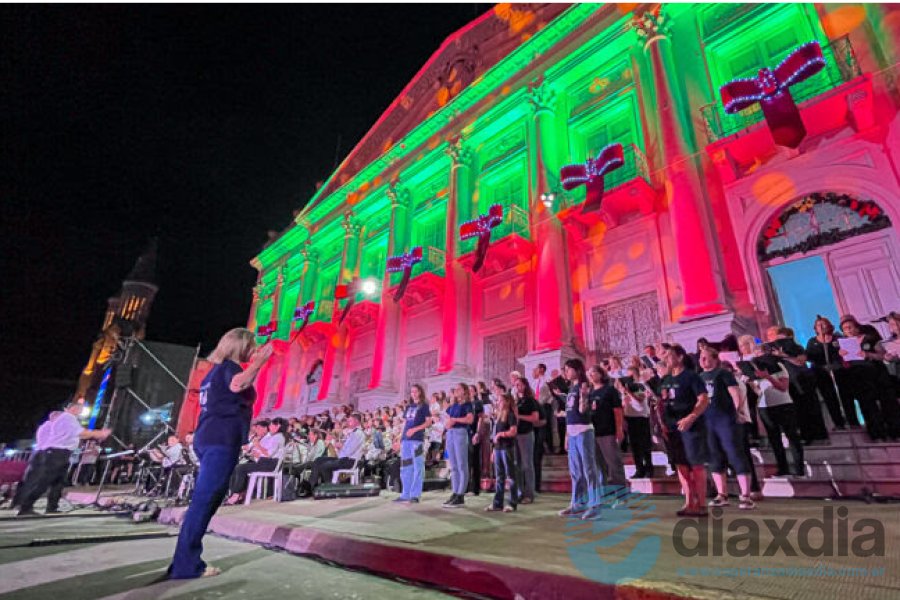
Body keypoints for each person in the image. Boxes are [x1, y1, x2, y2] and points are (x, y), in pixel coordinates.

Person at [168, 327, 273, 579]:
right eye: (251, 345)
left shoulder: (212, 373)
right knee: (204, 502)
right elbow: (239, 385)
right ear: (241, 346)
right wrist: (259, 363)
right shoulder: (230, 369)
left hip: (208, 437)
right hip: (220, 439)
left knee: (208, 500)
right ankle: (186, 564)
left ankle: (184, 559)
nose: (253, 349)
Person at [16, 401, 111, 516]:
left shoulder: (68, 419)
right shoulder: (68, 418)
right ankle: (25, 507)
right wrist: (100, 433)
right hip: (57, 453)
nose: (81, 412)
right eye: (80, 409)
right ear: (73, 408)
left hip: (61, 453)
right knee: (45, 481)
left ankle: (52, 507)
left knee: (58, 482)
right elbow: (82, 433)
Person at [699, 347, 755, 510]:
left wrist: (737, 411)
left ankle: (746, 496)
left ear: (715, 359)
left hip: (725, 420)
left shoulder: (723, 374)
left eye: (706, 357)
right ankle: (721, 494)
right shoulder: (700, 377)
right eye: (701, 357)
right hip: (708, 422)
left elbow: (735, 393)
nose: (702, 360)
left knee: (735, 454)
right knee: (715, 457)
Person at [740, 336, 805, 477]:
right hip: (765, 407)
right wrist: (751, 381)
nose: (758, 357)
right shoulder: (756, 371)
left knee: (792, 437)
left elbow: (783, 387)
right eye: (756, 354)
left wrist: (768, 377)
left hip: (783, 404)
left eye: (760, 354)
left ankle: (799, 469)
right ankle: (783, 468)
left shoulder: (779, 366)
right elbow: (759, 392)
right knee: (774, 439)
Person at [659, 344, 710, 517]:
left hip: (691, 426)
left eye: (669, 355)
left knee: (695, 464)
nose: (665, 359)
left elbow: (703, 399)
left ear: (680, 357)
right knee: (680, 465)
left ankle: (702, 503)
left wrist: (691, 417)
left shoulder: (691, 377)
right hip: (672, 428)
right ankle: (689, 501)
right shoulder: (665, 380)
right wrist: (662, 423)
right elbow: (663, 402)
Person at [558, 358, 601, 521]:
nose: (566, 372)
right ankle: (577, 503)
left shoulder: (584, 385)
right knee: (575, 471)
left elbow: (583, 410)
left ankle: (594, 505)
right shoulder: (571, 388)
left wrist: (584, 396)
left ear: (577, 370)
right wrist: (567, 436)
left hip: (584, 431)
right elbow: (570, 413)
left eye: (568, 369)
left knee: (589, 469)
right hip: (573, 432)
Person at [805, 316, 858, 430]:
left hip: (839, 370)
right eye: (819, 325)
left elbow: (847, 352)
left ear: (829, 326)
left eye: (824, 324)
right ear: (815, 328)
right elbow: (809, 357)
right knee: (829, 397)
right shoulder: (812, 341)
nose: (822, 327)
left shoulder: (838, 338)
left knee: (846, 396)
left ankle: (853, 421)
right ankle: (838, 423)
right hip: (821, 373)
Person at [225, 417, 286, 504]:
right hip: (264, 462)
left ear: (278, 426)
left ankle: (236, 494)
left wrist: (257, 446)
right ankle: (238, 493)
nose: (270, 427)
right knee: (237, 467)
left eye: (272, 425)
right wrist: (255, 452)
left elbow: (268, 454)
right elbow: (263, 452)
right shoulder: (272, 437)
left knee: (240, 468)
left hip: (271, 464)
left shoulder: (278, 437)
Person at [587, 366, 627, 492]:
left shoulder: (609, 390)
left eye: (593, 371)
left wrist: (619, 429)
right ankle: (603, 493)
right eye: (589, 373)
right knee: (598, 466)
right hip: (593, 432)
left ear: (601, 374)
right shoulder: (590, 393)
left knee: (614, 464)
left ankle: (620, 495)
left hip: (608, 431)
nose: (591, 374)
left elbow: (618, 410)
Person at [395, 384, 432, 504]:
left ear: (420, 392)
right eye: (412, 392)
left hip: (417, 441)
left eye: (416, 391)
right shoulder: (409, 407)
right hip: (406, 441)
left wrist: (415, 430)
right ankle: (405, 493)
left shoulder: (424, 406)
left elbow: (428, 422)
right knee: (405, 466)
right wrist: (400, 438)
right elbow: (405, 424)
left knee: (418, 466)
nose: (414, 394)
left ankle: (415, 494)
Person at [308, 414, 366, 488]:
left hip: (350, 461)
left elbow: (349, 452)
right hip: (343, 459)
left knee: (324, 466)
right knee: (318, 460)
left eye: (350, 420)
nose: (348, 422)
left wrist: (341, 446)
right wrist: (338, 447)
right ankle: (312, 484)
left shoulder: (358, 434)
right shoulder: (352, 433)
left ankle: (330, 487)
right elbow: (344, 452)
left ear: (357, 422)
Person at [485, 392, 519, 513]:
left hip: (507, 448)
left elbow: (513, 431)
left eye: (500, 400)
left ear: (507, 402)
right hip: (498, 449)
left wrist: (501, 434)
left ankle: (512, 503)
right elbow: (494, 435)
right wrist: (494, 450)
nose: (498, 402)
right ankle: (497, 503)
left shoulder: (510, 415)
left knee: (511, 476)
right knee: (499, 477)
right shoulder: (498, 417)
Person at [442, 383, 474, 508]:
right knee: (453, 465)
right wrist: (448, 423)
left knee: (461, 464)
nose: (456, 390)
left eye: (459, 389)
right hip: (451, 433)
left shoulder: (467, 405)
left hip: (461, 432)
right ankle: (455, 492)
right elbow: (447, 417)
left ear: (464, 391)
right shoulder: (453, 405)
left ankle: (461, 494)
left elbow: (470, 419)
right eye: (455, 389)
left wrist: (455, 420)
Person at [619, 368, 653, 479]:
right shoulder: (624, 390)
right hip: (630, 418)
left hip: (641, 418)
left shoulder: (640, 385)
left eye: (629, 374)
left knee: (645, 445)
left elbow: (640, 398)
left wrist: (628, 391)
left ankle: (649, 469)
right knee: (634, 446)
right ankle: (639, 469)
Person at [513, 377, 540, 504]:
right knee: (517, 465)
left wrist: (520, 416)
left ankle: (529, 494)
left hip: (526, 434)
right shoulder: (517, 401)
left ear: (524, 385)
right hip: (516, 434)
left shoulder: (530, 400)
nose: (516, 387)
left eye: (518, 384)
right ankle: (520, 492)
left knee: (527, 465)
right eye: (515, 385)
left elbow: (535, 418)